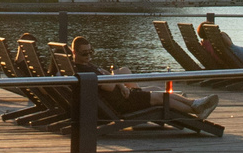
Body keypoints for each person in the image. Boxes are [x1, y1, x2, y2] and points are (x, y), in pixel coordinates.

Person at [69, 37, 217, 120]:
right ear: (74, 52)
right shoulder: (83, 70)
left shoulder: (85, 65)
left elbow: (107, 76)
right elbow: (108, 86)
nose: (88, 56)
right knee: (160, 97)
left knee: (157, 90)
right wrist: (120, 85)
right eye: (84, 54)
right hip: (122, 104)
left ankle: (195, 105)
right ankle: (195, 109)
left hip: (123, 96)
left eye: (90, 52)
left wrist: (120, 85)